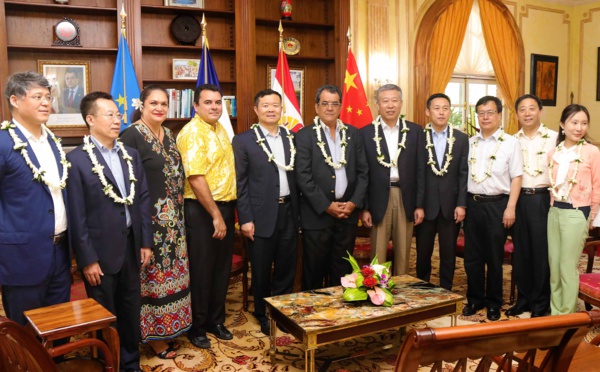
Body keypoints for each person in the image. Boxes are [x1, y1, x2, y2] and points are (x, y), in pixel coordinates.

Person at [67, 91, 152, 372]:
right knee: (105, 314)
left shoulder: (131, 155)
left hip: (131, 246)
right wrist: (87, 259)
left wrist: (145, 242)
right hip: (99, 254)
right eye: (110, 115)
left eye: (118, 114)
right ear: (90, 119)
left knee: (130, 310)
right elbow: (76, 215)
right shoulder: (77, 160)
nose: (118, 120)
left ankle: (130, 363)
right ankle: (108, 364)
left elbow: (142, 200)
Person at [120, 85, 192, 358]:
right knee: (151, 280)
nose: (160, 108)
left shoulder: (170, 134)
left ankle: (171, 328)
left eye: (164, 103)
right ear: (142, 105)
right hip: (149, 225)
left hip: (175, 224)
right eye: (154, 103)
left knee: (173, 278)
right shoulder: (130, 135)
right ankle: (152, 337)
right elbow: (127, 185)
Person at [0, 71, 71, 326]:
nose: (46, 103)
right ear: (15, 101)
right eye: (37, 96)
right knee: (25, 335)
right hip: (21, 256)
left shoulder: (52, 141)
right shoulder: (4, 143)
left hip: (60, 252)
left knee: (59, 326)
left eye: (48, 97)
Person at [232, 89, 299, 335]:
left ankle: (280, 310)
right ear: (256, 110)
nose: (271, 109)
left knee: (286, 266)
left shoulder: (291, 138)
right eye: (266, 105)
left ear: (282, 109)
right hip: (259, 216)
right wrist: (246, 219)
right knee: (260, 268)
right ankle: (262, 312)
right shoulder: (243, 140)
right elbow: (241, 183)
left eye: (276, 105)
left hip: (289, 211)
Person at [176, 84, 236, 349]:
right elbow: (196, 178)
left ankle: (215, 320)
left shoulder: (220, 128)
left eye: (218, 102)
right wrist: (215, 215)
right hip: (202, 211)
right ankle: (196, 327)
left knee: (220, 269)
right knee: (201, 270)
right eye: (208, 102)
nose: (214, 107)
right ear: (196, 106)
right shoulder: (191, 133)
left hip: (224, 207)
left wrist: (224, 213)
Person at [295, 84, 368, 290]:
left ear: (340, 107)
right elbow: (303, 176)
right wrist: (326, 205)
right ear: (316, 107)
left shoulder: (354, 134)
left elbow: (364, 173)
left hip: (347, 215)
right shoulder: (304, 136)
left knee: (343, 270)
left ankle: (340, 315)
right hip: (317, 215)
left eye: (334, 103)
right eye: (325, 103)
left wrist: (354, 203)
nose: (329, 108)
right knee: (314, 270)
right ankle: (312, 315)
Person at [463, 96, 522, 321]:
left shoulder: (510, 143)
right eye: (481, 113)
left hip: (498, 205)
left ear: (499, 115)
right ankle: (474, 299)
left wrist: (511, 208)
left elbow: (517, 177)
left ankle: (493, 303)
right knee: (472, 257)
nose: (485, 117)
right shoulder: (470, 143)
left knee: (494, 257)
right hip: (473, 204)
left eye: (490, 112)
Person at [360, 84, 425, 275]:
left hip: (406, 197)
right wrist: (365, 207)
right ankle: (377, 292)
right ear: (377, 104)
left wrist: (419, 205)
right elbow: (362, 173)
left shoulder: (415, 131)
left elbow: (421, 170)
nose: (390, 105)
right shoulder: (365, 133)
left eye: (394, 100)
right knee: (378, 254)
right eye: (385, 101)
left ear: (401, 103)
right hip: (378, 198)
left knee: (403, 252)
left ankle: (401, 294)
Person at [507, 94, 557, 318]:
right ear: (516, 114)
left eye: (532, 108)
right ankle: (523, 300)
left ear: (540, 111)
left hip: (543, 199)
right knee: (521, 253)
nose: (527, 113)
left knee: (540, 252)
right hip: (518, 199)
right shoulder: (510, 141)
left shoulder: (554, 139)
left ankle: (540, 303)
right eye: (522, 110)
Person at [547, 104, 600, 315]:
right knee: (555, 267)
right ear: (562, 125)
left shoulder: (591, 151)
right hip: (554, 212)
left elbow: (598, 186)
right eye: (574, 122)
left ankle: (566, 318)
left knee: (568, 268)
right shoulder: (554, 152)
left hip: (577, 213)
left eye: (584, 123)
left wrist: (590, 217)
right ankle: (555, 314)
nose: (579, 128)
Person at [415, 93, 468, 290]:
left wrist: (461, 203)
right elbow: (417, 173)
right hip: (425, 207)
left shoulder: (461, 139)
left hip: (450, 206)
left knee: (448, 253)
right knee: (423, 252)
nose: (441, 112)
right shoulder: (418, 137)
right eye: (436, 108)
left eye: (445, 108)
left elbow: (463, 174)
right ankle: (422, 290)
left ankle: (446, 290)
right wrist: (417, 205)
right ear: (428, 111)